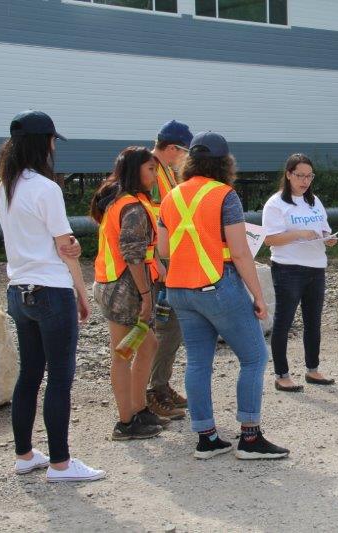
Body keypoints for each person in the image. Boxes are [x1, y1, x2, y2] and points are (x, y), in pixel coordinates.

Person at [158, 131, 289, 460]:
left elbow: (162, 248)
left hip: (179, 289)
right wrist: (258, 296)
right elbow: (242, 253)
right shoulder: (224, 195)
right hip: (217, 285)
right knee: (255, 357)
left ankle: (206, 437)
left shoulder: (171, 196)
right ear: (225, 162)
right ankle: (250, 437)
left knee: (198, 362)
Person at [0, 110, 105, 482]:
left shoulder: (7, 186)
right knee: (59, 378)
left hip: (18, 291)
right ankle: (61, 463)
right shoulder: (46, 188)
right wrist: (81, 291)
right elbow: (65, 248)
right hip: (51, 291)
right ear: (44, 142)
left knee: (29, 375)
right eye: (53, 140)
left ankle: (25, 454)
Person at [92, 147, 166, 440]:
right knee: (122, 353)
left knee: (147, 346)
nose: (155, 176)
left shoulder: (127, 201)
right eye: (150, 169)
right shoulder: (131, 207)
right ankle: (126, 422)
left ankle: (138, 409)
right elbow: (133, 256)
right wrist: (147, 295)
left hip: (121, 285)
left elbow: (144, 252)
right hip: (123, 288)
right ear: (135, 170)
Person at [262, 154, 338, 392]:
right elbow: (269, 239)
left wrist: (329, 238)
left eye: (309, 176)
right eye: (300, 176)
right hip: (288, 268)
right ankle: (281, 374)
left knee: (313, 322)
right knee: (284, 322)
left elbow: (323, 228)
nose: (305, 181)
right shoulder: (276, 204)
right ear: (288, 174)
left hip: (316, 267)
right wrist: (298, 234)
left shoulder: (314, 201)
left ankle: (312, 369)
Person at [146, 120, 193, 421]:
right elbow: (150, 219)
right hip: (156, 264)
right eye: (184, 152)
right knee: (163, 328)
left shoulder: (163, 172)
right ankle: (152, 392)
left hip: (166, 261)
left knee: (171, 327)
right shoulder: (150, 172)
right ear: (173, 148)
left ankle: (160, 385)